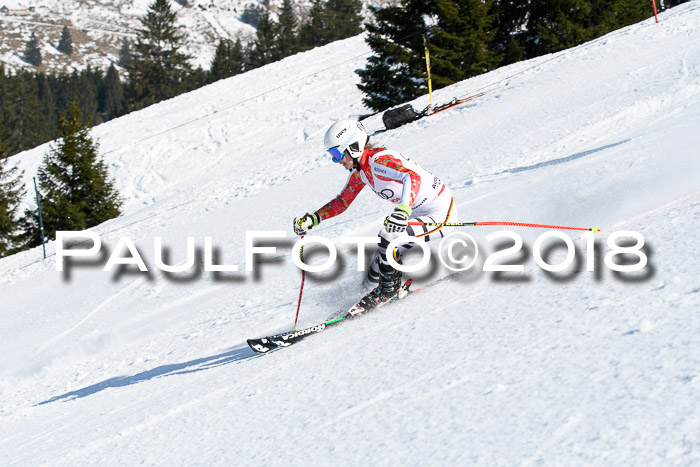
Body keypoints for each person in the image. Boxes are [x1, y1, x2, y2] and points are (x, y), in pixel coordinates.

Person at [293, 119, 458, 310]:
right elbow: (342, 201)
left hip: (440, 214)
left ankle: (389, 291)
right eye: (332, 155)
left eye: (337, 153)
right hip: (417, 214)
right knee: (375, 270)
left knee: (388, 236)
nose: (336, 161)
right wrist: (314, 218)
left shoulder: (379, 160)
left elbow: (411, 177)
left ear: (352, 146)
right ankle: (363, 299)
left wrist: (403, 210)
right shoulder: (361, 171)